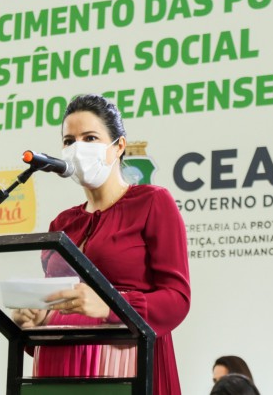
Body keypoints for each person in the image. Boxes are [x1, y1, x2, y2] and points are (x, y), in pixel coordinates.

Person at [12, 94, 191, 395]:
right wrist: (34, 320)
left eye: (90, 137)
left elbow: (177, 299)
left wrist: (112, 305)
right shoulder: (62, 224)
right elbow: (57, 303)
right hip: (60, 365)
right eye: (69, 141)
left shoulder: (153, 202)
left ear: (118, 146)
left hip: (128, 364)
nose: (77, 148)